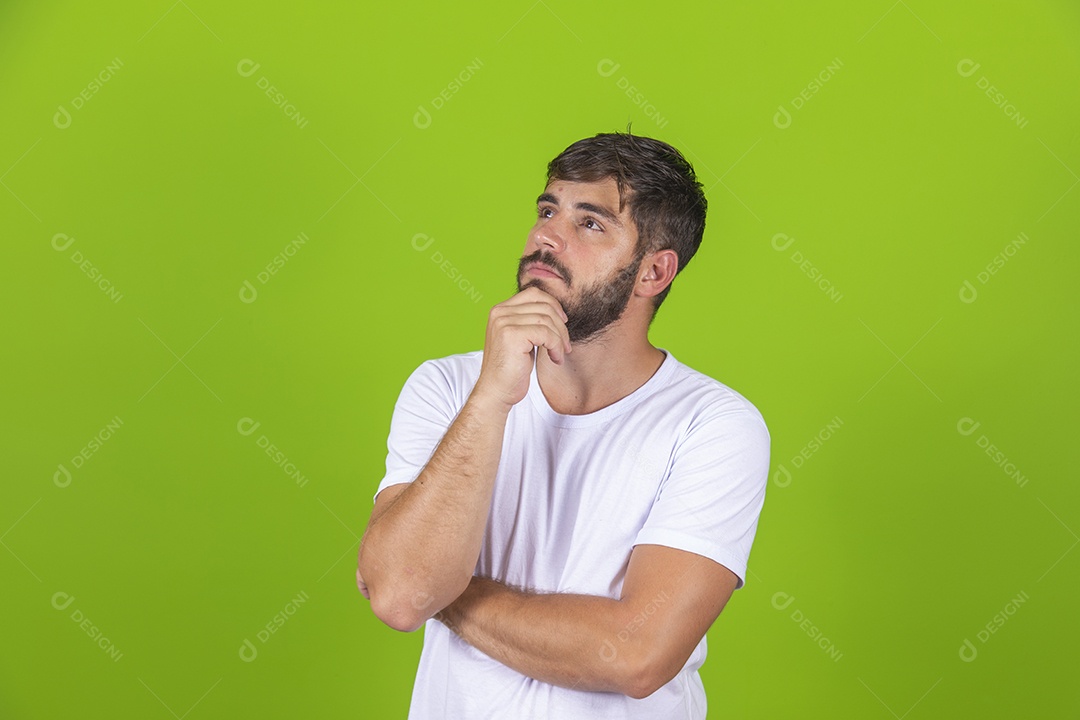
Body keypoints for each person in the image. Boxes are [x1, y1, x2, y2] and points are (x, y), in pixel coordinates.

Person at [356, 131, 770, 718]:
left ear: (653, 272)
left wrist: (441, 590)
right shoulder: (447, 389)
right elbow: (400, 598)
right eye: (547, 210)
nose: (546, 237)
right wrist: (492, 397)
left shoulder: (714, 426)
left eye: (591, 223)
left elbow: (636, 655)